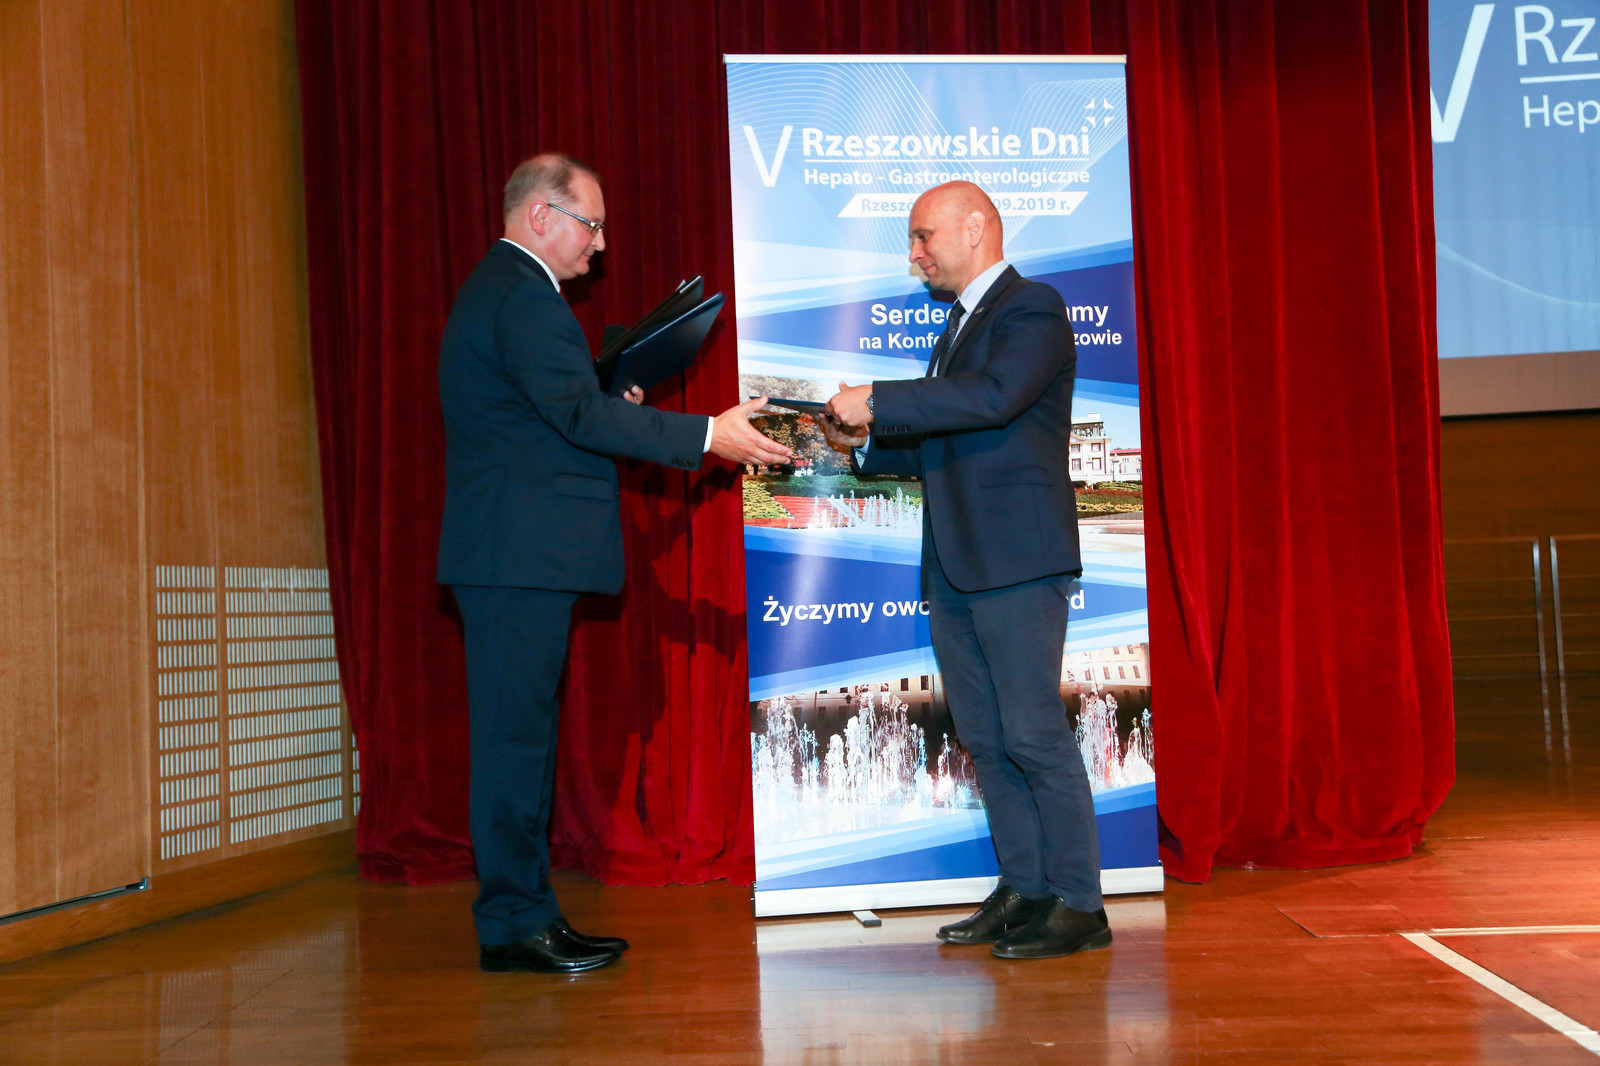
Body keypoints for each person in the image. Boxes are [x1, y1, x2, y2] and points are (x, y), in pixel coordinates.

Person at [437, 153, 791, 974]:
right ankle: (514, 925)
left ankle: (526, 917)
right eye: (590, 226)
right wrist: (708, 434)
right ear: (541, 217)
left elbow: (551, 411)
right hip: (515, 558)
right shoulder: (524, 296)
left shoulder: (509, 291)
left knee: (523, 745)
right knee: (514, 749)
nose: (599, 246)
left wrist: (605, 396)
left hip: (516, 557)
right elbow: (570, 416)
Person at [821, 181, 1109, 960]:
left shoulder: (1032, 307)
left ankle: (1080, 903)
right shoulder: (958, 326)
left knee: (1033, 733)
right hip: (956, 565)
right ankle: (1027, 889)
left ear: (975, 227)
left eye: (923, 236)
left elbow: (994, 398)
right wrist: (863, 442)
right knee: (986, 737)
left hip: (1016, 560)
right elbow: (946, 440)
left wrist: (879, 399)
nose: (915, 255)